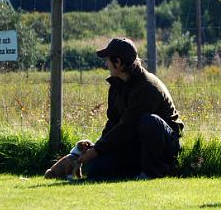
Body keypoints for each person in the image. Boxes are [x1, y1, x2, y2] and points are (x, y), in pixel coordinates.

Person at [79, 37, 184, 180]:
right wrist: (97, 148)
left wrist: (97, 150)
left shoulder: (147, 87)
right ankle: (136, 169)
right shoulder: (116, 85)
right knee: (94, 168)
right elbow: (113, 123)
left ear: (118, 63)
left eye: (108, 60)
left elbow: (128, 125)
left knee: (149, 121)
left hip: (164, 145)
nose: (106, 64)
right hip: (136, 143)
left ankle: (153, 172)